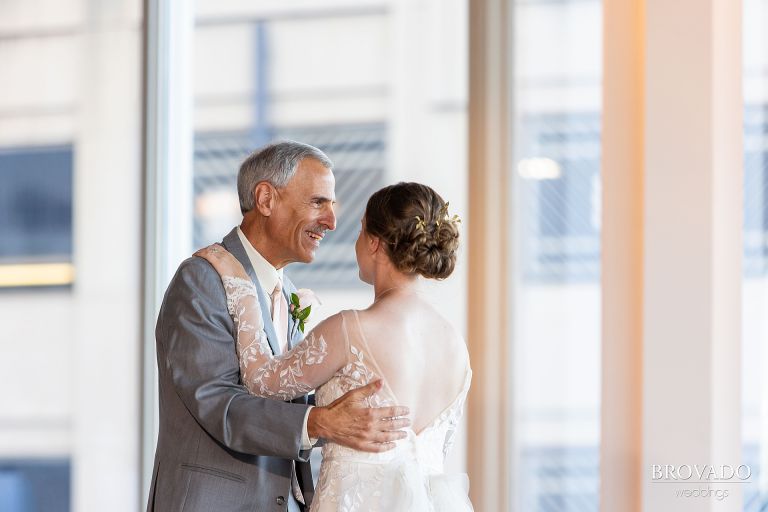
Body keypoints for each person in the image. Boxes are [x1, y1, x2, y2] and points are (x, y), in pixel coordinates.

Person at [146, 141, 411, 512]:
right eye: (319, 202)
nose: (332, 222)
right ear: (266, 199)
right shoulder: (201, 280)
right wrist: (319, 422)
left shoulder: (285, 292)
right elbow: (215, 401)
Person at [196, 181, 474, 511]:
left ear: (374, 243)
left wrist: (239, 283)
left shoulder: (351, 329)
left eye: (360, 230)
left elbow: (260, 382)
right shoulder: (456, 346)